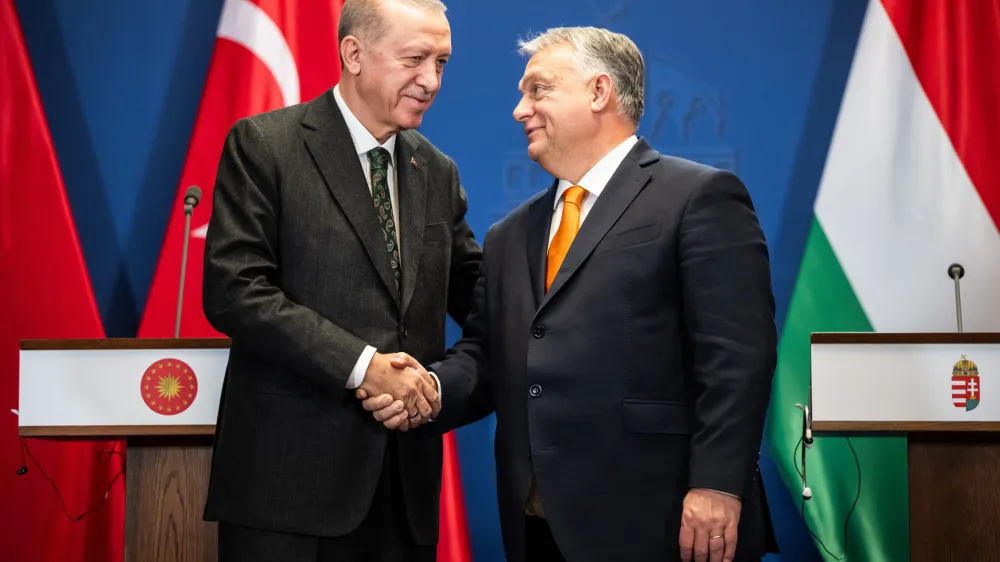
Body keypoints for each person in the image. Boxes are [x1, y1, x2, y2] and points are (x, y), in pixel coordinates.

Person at [362, 26, 779, 562]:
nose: (520, 110)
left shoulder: (698, 197)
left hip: (664, 520)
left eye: (538, 89)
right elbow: (488, 356)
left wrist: (718, 484)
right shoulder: (510, 234)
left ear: (599, 91)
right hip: (537, 525)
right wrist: (431, 391)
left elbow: (736, 358)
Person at [199, 0, 480, 560]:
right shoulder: (267, 145)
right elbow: (236, 288)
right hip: (287, 492)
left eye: (441, 63)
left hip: (402, 493)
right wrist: (363, 366)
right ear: (353, 53)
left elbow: (480, 299)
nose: (431, 81)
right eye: (415, 59)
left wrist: (435, 387)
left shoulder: (437, 170)